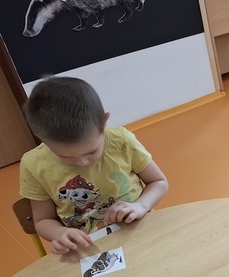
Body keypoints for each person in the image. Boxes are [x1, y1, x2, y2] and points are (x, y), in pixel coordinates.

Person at [19, 76, 169, 255]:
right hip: (88, 249)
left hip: (140, 230)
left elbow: (158, 182)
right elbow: (43, 220)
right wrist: (59, 233)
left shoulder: (121, 141)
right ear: (38, 136)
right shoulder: (34, 164)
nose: (82, 162)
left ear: (104, 122)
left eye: (91, 152)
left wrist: (141, 206)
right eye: (65, 157)